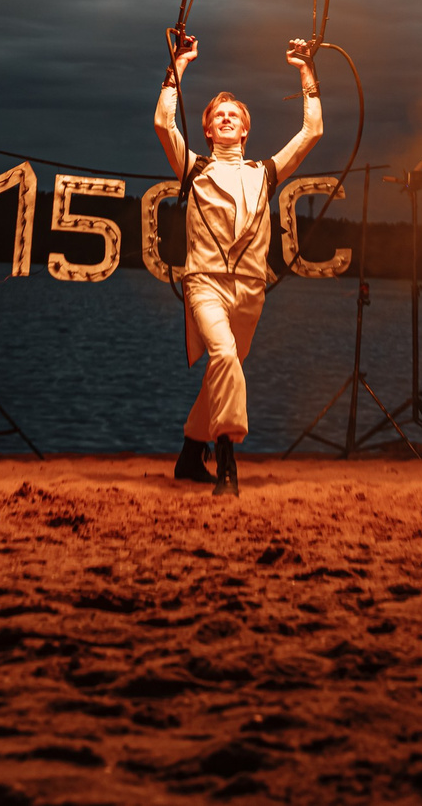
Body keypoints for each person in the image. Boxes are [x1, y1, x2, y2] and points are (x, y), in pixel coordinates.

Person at [153, 31, 322, 495]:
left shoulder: (265, 173)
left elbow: (312, 132)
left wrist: (305, 71)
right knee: (225, 358)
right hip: (205, 284)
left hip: (250, 290)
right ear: (208, 131)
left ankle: (190, 456)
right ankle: (227, 462)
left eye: (234, 115)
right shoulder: (194, 169)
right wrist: (178, 66)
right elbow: (164, 124)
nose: (226, 119)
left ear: (245, 130)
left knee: (223, 372)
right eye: (218, 116)